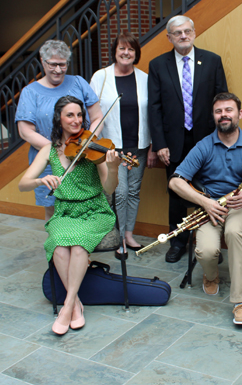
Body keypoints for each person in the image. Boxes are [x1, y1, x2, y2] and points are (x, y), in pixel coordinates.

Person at [169, 92, 242, 325]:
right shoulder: (204, 146)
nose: (223, 115)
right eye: (219, 111)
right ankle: (211, 276)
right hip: (211, 207)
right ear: (214, 116)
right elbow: (175, 182)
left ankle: (240, 302)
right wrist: (204, 202)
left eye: (228, 110)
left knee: (234, 232)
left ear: (239, 114)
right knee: (206, 251)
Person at [18, 96, 122, 336]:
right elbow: (23, 184)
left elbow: (109, 189)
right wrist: (40, 179)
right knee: (58, 247)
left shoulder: (93, 147)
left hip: (94, 211)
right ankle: (75, 305)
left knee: (77, 246)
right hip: (64, 211)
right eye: (70, 115)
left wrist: (114, 168)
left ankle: (67, 305)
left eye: (79, 115)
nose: (76, 121)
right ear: (59, 119)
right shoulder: (49, 150)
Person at [148, 15, 228, 263]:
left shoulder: (212, 61)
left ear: (194, 32)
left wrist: (221, 139)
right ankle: (178, 241)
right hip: (173, 142)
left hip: (207, 141)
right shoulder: (158, 65)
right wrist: (159, 143)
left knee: (209, 189)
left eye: (186, 31)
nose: (183, 36)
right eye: (177, 32)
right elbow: (154, 107)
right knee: (177, 193)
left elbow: (222, 101)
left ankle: (210, 243)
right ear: (169, 37)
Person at [15, 40, 104, 221]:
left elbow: (97, 117)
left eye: (62, 64)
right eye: (52, 64)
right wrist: (57, 150)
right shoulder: (30, 92)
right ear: (42, 61)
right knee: (54, 212)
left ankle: (80, 246)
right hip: (47, 160)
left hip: (82, 155)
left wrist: (86, 142)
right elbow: (25, 131)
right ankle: (57, 248)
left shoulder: (78, 82)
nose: (58, 69)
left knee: (85, 206)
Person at [90, 31, 157, 256]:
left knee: (134, 191)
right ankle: (118, 237)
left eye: (131, 49)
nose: (126, 52)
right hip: (112, 147)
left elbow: (152, 114)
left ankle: (129, 234)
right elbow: (93, 112)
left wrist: (152, 146)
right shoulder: (101, 77)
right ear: (115, 52)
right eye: (122, 48)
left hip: (138, 145)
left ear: (136, 53)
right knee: (120, 192)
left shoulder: (145, 78)